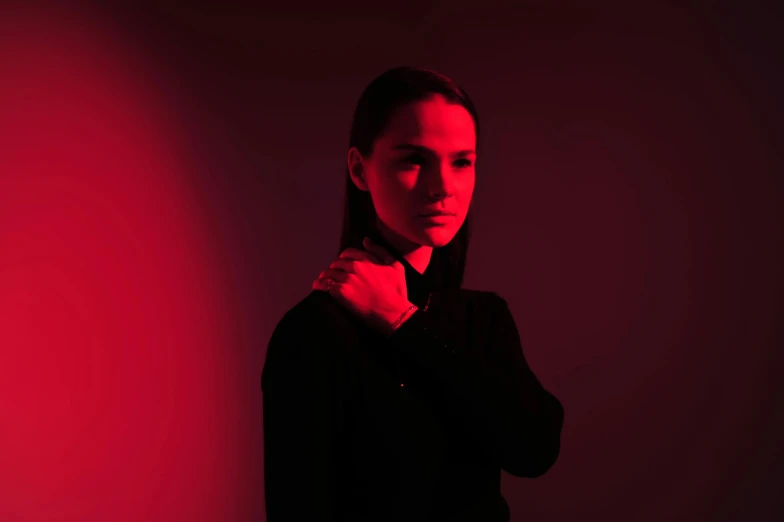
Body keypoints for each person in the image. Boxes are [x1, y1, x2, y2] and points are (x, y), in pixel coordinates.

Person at [261, 66, 564, 522]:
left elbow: (535, 447)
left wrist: (403, 323)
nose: (442, 187)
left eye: (462, 161)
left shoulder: (483, 319)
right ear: (359, 169)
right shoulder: (316, 331)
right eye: (413, 160)